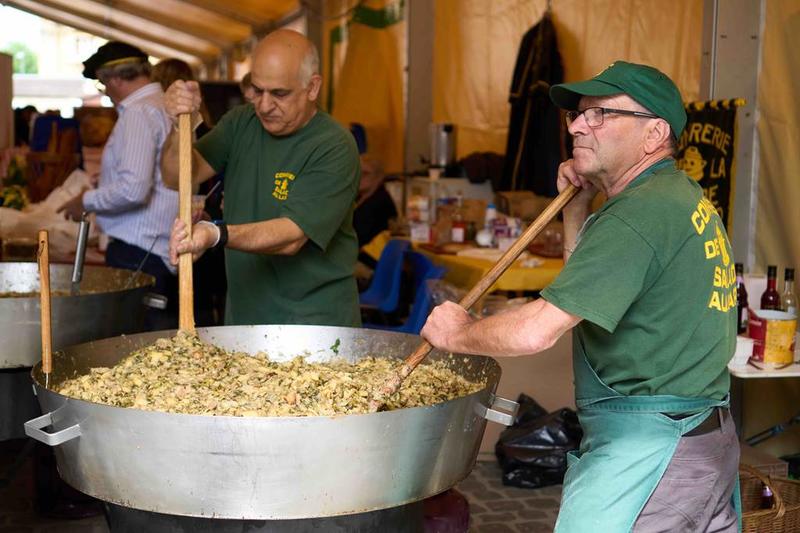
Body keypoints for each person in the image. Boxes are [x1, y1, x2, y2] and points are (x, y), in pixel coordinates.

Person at [421, 61, 739, 532]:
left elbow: (536, 331)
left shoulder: (638, 215)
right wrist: (575, 210)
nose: (576, 125)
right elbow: (587, 297)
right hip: (700, 438)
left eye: (601, 114)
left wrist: (459, 332)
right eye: (578, 114)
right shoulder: (678, 197)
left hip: (652, 452)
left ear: (653, 134)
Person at [162, 29, 361, 327]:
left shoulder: (333, 145)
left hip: (314, 324)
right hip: (245, 316)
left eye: (279, 93)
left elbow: (291, 237)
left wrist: (215, 233)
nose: (264, 105)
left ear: (312, 87)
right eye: (257, 90)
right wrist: (180, 124)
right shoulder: (242, 122)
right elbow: (177, 176)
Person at [58, 41, 178, 331]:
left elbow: (135, 189)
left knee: (135, 344)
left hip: (138, 250)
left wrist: (85, 200)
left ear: (113, 79)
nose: (106, 93)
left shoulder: (138, 113)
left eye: (102, 85)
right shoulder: (163, 105)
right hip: (158, 247)